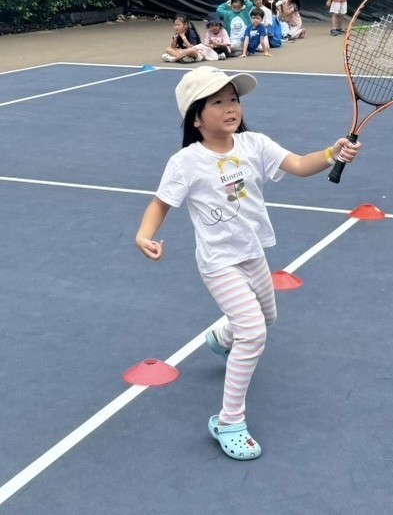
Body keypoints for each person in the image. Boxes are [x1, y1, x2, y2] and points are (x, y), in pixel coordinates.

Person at [134, 66, 360, 460]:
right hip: (219, 263)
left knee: (267, 317)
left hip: (252, 254)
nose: (230, 108)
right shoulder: (185, 162)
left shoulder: (254, 144)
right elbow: (161, 203)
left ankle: (222, 339)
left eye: (233, 99)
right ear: (196, 118)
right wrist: (144, 235)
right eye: (217, 102)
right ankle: (229, 421)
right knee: (253, 332)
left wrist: (332, 153)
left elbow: (299, 165)